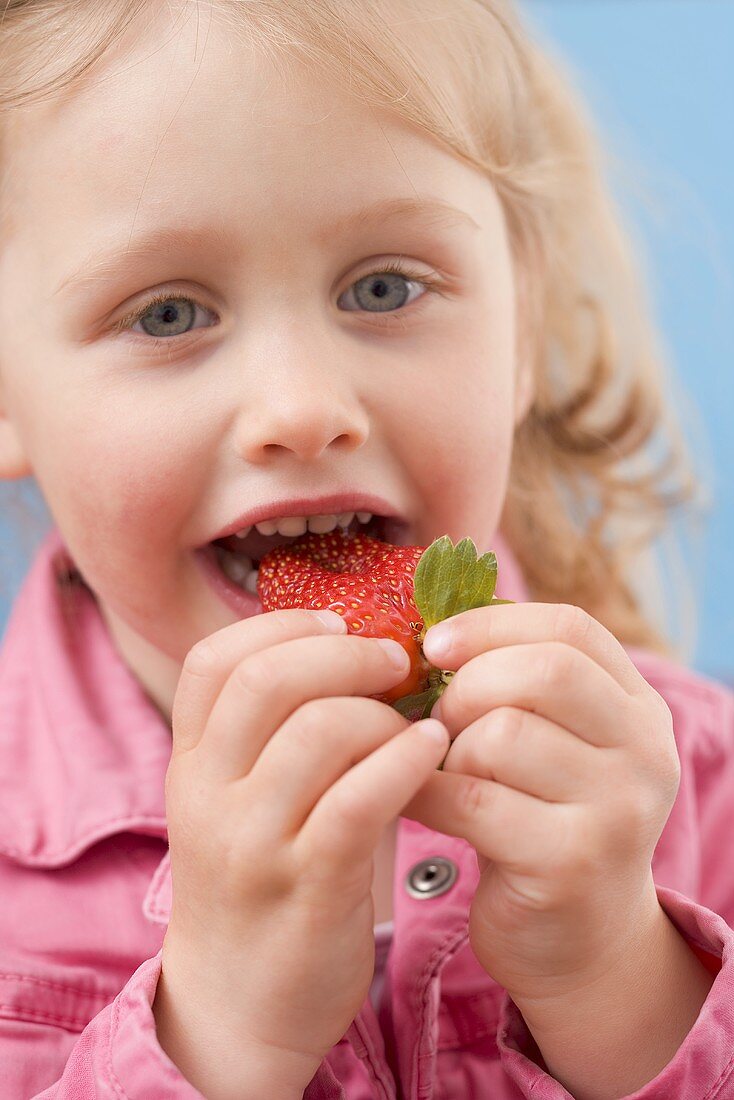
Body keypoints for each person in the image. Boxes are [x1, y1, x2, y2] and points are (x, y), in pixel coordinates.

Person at [0, 0, 731, 1096]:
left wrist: (616, 978)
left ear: (520, 330)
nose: (301, 407)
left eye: (382, 286)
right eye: (165, 315)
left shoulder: (701, 794)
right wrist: (216, 1034)